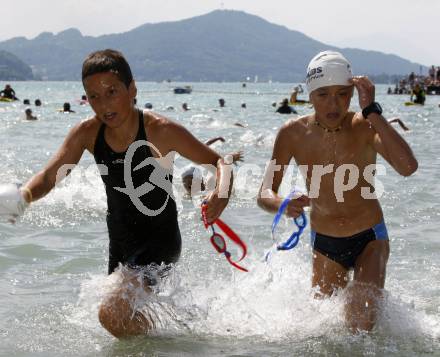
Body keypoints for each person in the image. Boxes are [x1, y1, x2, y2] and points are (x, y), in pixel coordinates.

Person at [0, 49, 233, 338]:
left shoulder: (159, 130)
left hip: (159, 241)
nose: (103, 104)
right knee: (119, 323)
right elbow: (50, 175)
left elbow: (219, 162)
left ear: (132, 88)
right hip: (121, 243)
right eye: (93, 96)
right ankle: (176, 335)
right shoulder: (87, 133)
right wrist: (25, 195)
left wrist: (221, 195)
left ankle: (170, 341)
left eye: (111, 92)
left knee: (112, 314)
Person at [257, 51, 418, 332]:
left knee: (359, 326)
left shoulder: (365, 125)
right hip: (325, 243)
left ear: (353, 93)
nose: (333, 104)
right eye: (323, 95)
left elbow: (408, 167)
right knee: (325, 334)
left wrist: (373, 112)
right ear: (309, 95)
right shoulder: (292, 133)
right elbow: (264, 193)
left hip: (370, 238)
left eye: (342, 94)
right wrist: (282, 203)